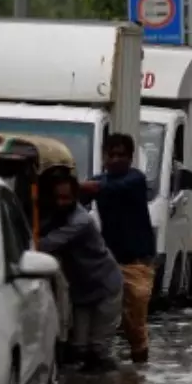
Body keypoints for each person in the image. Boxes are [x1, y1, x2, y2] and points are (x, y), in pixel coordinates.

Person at [79, 133, 156, 364]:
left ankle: (139, 369)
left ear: (131, 157)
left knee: (135, 323)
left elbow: (108, 189)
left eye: (121, 155)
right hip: (109, 260)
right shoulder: (99, 182)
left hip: (137, 262)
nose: (115, 159)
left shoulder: (136, 179)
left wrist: (78, 185)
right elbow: (77, 202)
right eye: (110, 154)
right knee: (101, 313)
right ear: (103, 156)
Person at [40, 175, 124, 373]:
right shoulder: (55, 216)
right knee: (78, 348)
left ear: (75, 197)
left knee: (99, 350)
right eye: (58, 198)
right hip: (81, 289)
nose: (61, 203)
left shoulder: (81, 221)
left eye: (66, 198)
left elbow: (45, 244)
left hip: (105, 286)